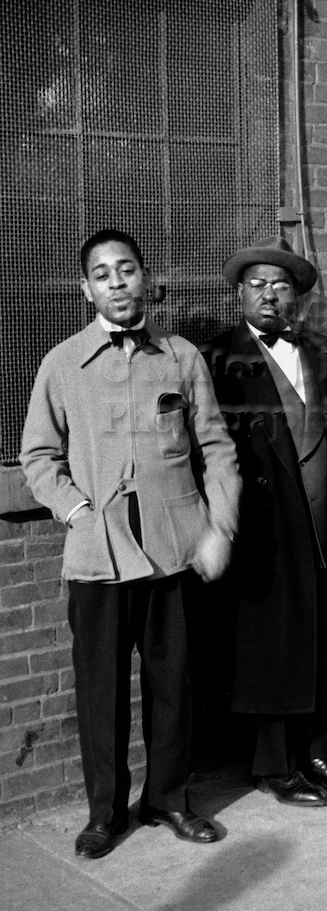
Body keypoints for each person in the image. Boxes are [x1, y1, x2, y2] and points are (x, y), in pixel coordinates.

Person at [20, 229, 241, 859]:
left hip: (172, 550)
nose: (116, 283)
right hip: (99, 554)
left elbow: (217, 450)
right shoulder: (62, 365)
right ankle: (104, 812)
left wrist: (217, 528)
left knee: (175, 684)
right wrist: (76, 512)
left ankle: (169, 798)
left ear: (147, 278)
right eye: (102, 273)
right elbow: (38, 457)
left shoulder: (180, 358)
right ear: (85, 287)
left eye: (127, 270)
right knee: (102, 690)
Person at [203, 235, 327, 806]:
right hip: (266, 517)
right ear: (239, 294)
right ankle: (273, 766)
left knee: (326, 628)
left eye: (281, 286)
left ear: (298, 299)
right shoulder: (215, 361)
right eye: (257, 285)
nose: (269, 295)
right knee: (273, 639)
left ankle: (319, 752)